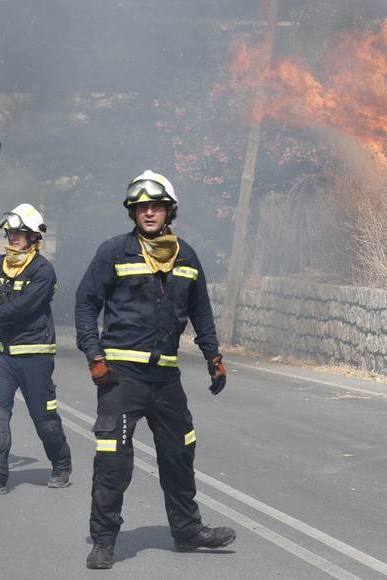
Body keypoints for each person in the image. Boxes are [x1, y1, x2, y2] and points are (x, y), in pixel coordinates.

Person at [75, 171, 234, 569]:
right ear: (133, 212)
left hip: (165, 378)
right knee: (113, 461)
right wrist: (95, 356)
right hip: (120, 377)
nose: (149, 212)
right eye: (142, 207)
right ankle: (104, 540)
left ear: (169, 211)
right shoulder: (114, 252)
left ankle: (186, 531)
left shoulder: (187, 256)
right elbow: (84, 305)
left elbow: (201, 312)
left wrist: (214, 357)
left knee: (179, 454)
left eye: (156, 206)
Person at [0, 204, 71, 496]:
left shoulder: (43, 271)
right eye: (10, 232)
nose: (13, 238)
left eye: (20, 233)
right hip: (4, 355)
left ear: (34, 237)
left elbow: (20, 310)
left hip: (35, 355)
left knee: (44, 419)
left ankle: (61, 463)